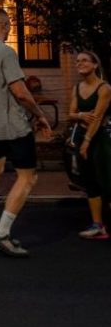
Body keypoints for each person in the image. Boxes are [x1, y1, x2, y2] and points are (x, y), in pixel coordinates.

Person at [0, 7, 51, 257]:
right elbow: (21, 92)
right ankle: (2, 232)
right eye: (10, 25)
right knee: (27, 178)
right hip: (13, 124)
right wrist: (39, 115)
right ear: (5, 25)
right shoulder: (5, 52)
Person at [68, 51, 111, 240]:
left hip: (99, 139)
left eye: (84, 60)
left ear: (95, 65)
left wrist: (86, 141)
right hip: (80, 138)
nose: (80, 63)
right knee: (89, 181)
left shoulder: (104, 88)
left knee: (106, 179)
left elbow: (98, 117)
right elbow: (70, 113)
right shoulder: (77, 88)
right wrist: (81, 116)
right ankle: (98, 225)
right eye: (77, 61)